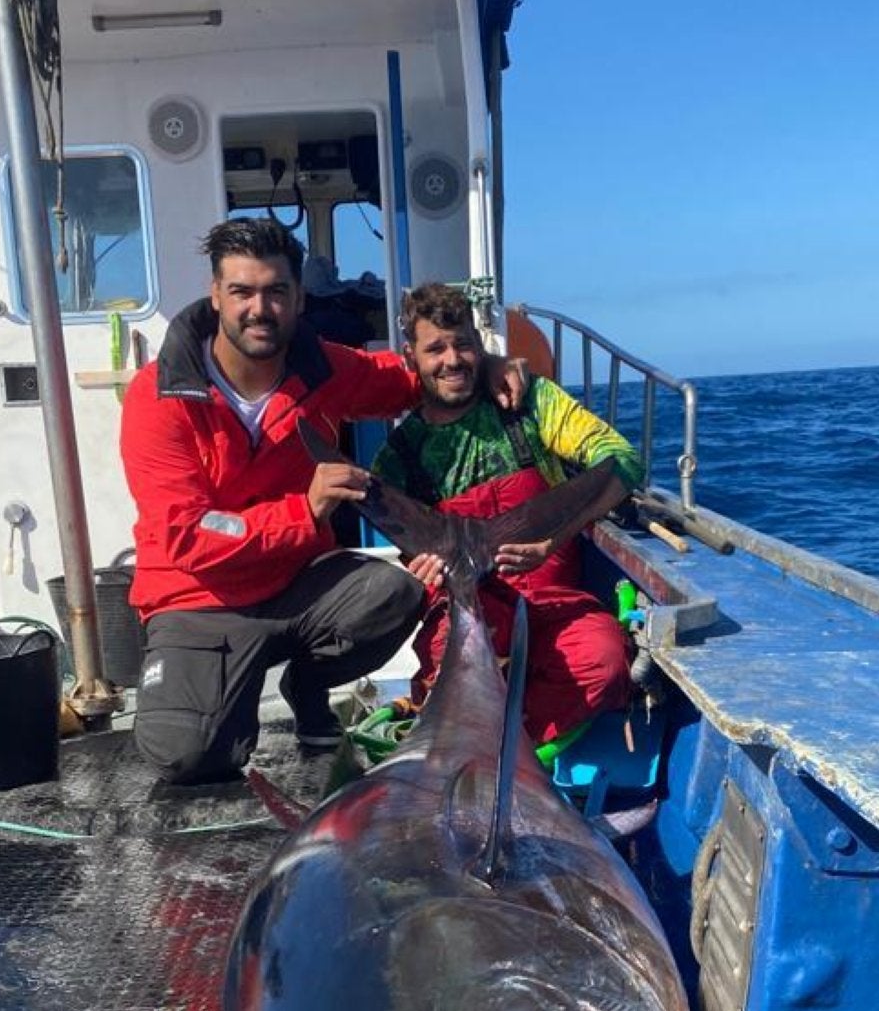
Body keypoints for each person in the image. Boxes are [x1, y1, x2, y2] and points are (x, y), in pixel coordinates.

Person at [120, 219, 522, 782]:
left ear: (299, 298)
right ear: (216, 296)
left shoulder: (322, 366)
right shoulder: (158, 397)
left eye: (276, 292)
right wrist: (303, 511)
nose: (260, 309)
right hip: (199, 599)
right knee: (186, 757)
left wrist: (485, 366)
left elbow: (412, 377)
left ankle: (307, 686)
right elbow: (187, 536)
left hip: (294, 587)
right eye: (242, 291)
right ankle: (220, 695)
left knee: (393, 592)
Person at [371, 282, 643, 749]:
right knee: (444, 673)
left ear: (481, 347)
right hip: (468, 608)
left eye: (463, 345)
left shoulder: (530, 402)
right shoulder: (399, 457)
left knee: (604, 659)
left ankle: (517, 759)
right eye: (435, 349)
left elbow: (622, 459)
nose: (452, 360)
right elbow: (408, 553)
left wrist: (552, 540)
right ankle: (484, 756)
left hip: (554, 599)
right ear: (411, 357)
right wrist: (423, 571)